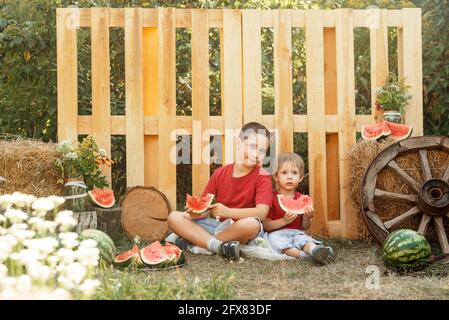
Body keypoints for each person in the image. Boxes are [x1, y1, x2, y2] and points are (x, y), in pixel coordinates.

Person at [167, 122, 273, 260]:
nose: (256, 154)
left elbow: (262, 213)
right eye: (252, 146)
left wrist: (228, 212)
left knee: (253, 224)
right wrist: (196, 213)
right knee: (174, 217)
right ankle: (218, 246)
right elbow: (205, 209)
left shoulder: (263, 176)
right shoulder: (220, 173)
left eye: (262, 151)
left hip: (242, 230)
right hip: (219, 227)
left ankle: (202, 243)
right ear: (238, 142)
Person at [263, 152, 334, 265]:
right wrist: (284, 221)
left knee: (303, 239)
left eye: (294, 173)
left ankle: (314, 250)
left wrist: (306, 218)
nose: (290, 176)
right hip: (276, 233)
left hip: (296, 232)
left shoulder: (302, 199)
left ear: (300, 177)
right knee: (275, 240)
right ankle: (305, 256)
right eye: (284, 172)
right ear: (276, 177)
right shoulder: (271, 198)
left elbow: (305, 226)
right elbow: (266, 225)